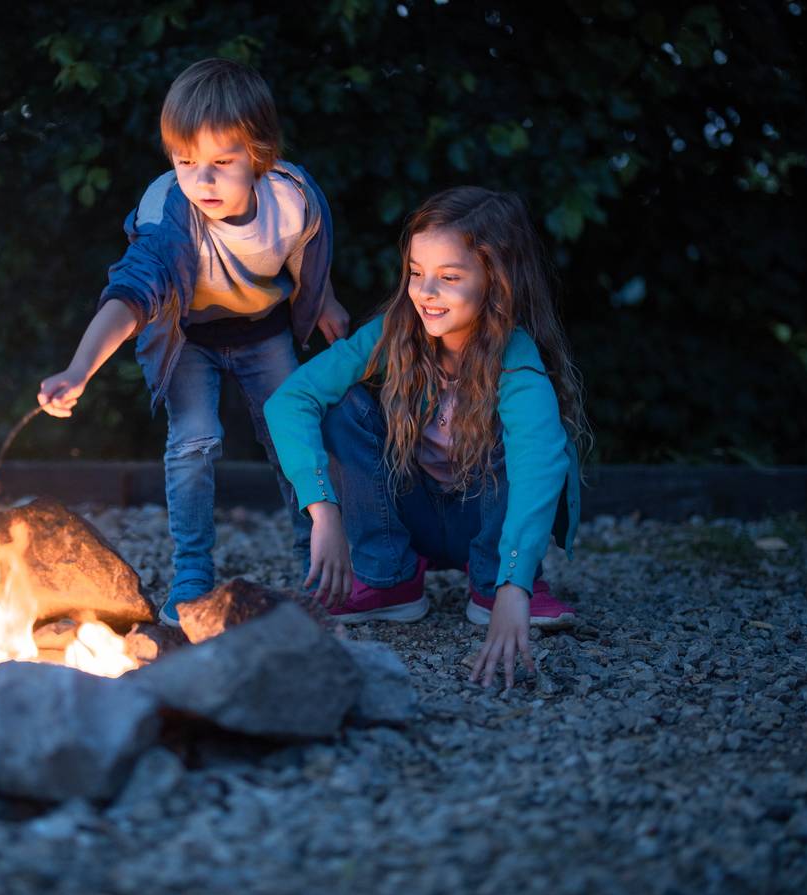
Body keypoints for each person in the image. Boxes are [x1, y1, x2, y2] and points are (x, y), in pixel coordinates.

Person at [35, 59, 349, 626]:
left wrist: (322, 300)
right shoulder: (169, 215)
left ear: (259, 155)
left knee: (291, 436)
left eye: (222, 164)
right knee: (193, 441)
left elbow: (307, 252)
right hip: (188, 337)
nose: (201, 181)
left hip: (264, 330)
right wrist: (79, 369)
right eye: (185, 162)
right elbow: (131, 294)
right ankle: (193, 572)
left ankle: (315, 559)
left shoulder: (292, 199)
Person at [264, 187, 590, 688]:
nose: (425, 292)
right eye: (416, 272)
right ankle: (388, 578)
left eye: (450, 277)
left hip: (485, 517)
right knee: (343, 405)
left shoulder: (515, 359)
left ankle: (492, 583)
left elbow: (539, 467)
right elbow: (290, 399)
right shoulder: (395, 331)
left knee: (522, 440)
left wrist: (514, 586)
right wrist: (323, 509)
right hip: (409, 512)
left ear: (496, 281)